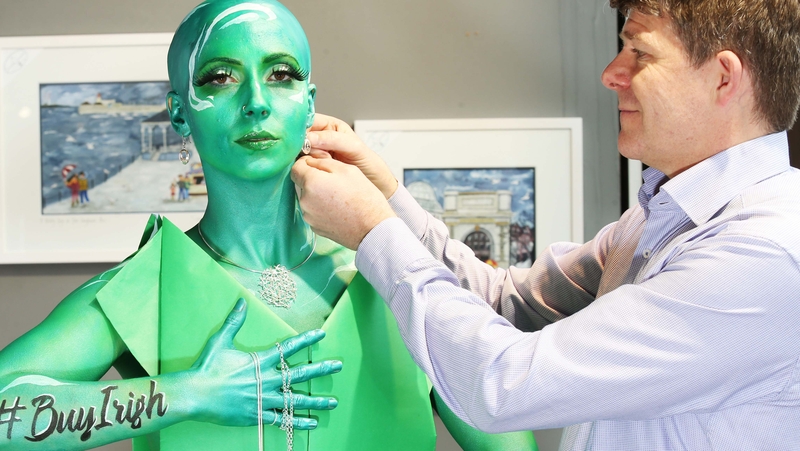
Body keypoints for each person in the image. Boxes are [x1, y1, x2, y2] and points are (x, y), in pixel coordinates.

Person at [0, 1, 535, 450]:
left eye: (281, 75)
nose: (256, 103)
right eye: (220, 77)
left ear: (309, 103)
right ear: (180, 113)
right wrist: (186, 394)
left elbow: (509, 433)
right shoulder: (146, 285)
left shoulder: (399, 275)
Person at [291, 0, 800, 449]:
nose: (611, 73)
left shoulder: (762, 257)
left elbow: (502, 385)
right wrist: (386, 196)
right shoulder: (660, 220)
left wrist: (373, 232)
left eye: (639, 53)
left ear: (724, 77)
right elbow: (508, 303)